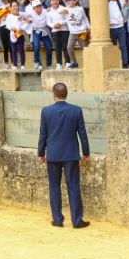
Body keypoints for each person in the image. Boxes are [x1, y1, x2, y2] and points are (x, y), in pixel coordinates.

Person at [37, 82, 90, 229]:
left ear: (54, 94)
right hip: (71, 154)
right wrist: (86, 153)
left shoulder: (46, 111)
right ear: (66, 94)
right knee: (73, 186)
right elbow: (83, 135)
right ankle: (77, 220)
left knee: (54, 187)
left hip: (53, 154)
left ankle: (58, 219)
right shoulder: (76, 110)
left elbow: (43, 135)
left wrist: (41, 153)